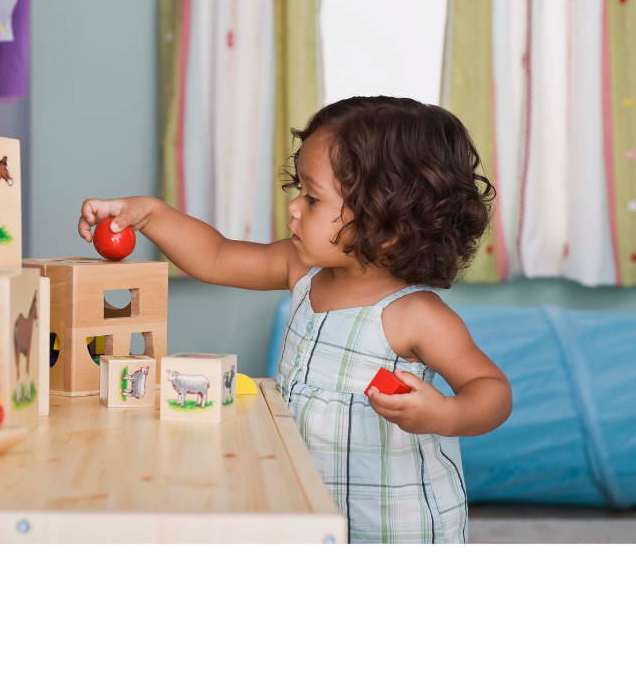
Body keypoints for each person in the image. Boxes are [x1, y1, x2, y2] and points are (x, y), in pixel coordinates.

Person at [77, 96, 513, 543]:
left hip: (396, 526)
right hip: (306, 509)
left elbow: (492, 391)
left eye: (312, 197)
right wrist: (151, 213)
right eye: (298, 190)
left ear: (388, 222)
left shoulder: (414, 315)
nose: (293, 207)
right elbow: (216, 256)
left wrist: (446, 413)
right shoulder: (302, 271)